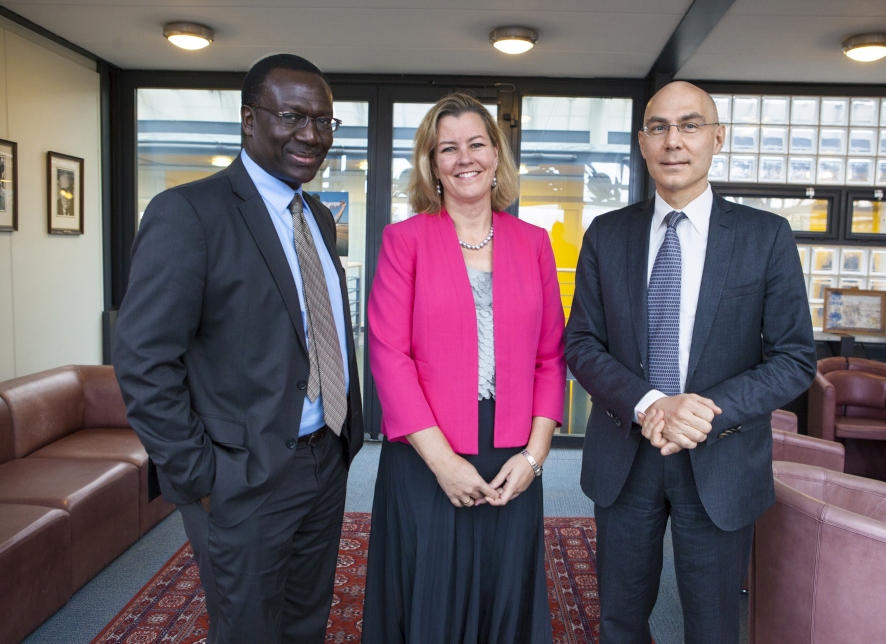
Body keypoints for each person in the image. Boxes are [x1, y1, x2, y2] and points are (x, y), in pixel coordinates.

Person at [113, 53, 363, 644]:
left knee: (306, 621)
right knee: (248, 628)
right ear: (249, 120)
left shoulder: (319, 216)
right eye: (293, 117)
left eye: (325, 121)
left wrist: (340, 439)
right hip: (241, 476)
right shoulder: (188, 213)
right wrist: (201, 476)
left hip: (325, 458)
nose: (312, 135)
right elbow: (144, 362)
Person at [565, 81, 816, 643]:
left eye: (690, 125)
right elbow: (581, 343)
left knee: (715, 625)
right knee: (620, 620)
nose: (673, 140)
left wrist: (704, 413)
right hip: (627, 455)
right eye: (659, 127)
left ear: (716, 138)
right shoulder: (607, 234)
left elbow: (795, 358)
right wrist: (652, 404)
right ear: (642, 141)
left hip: (721, 459)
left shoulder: (764, 236)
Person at [362, 92, 565, 644]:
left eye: (476, 143)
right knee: (431, 590)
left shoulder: (534, 243)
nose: (464, 158)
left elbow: (551, 357)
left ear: (497, 155)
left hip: (512, 449)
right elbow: (387, 353)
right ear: (432, 165)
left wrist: (535, 456)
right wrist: (443, 462)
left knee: (504, 589)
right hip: (426, 451)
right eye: (446, 148)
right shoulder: (403, 241)